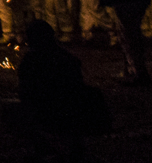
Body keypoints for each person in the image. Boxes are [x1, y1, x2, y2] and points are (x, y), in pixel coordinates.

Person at [7, 19, 109, 155]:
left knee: (10, 109)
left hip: (49, 111)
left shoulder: (31, 61)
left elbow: (26, 92)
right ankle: (71, 144)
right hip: (72, 110)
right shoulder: (67, 57)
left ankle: (42, 144)